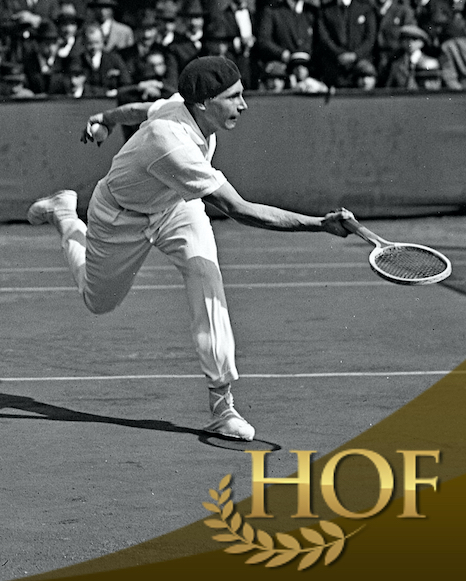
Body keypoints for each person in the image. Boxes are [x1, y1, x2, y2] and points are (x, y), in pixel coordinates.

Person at [26, 55, 351, 442]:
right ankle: (65, 215)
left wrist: (106, 118)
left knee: (207, 277)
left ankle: (222, 406)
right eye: (233, 97)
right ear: (203, 104)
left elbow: (141, 108)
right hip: (120, 218)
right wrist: (318, 224)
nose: (243, 105)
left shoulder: (178, 105)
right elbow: (240, 210)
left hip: (177, 207)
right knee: (98, 302)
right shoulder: (171, 143)